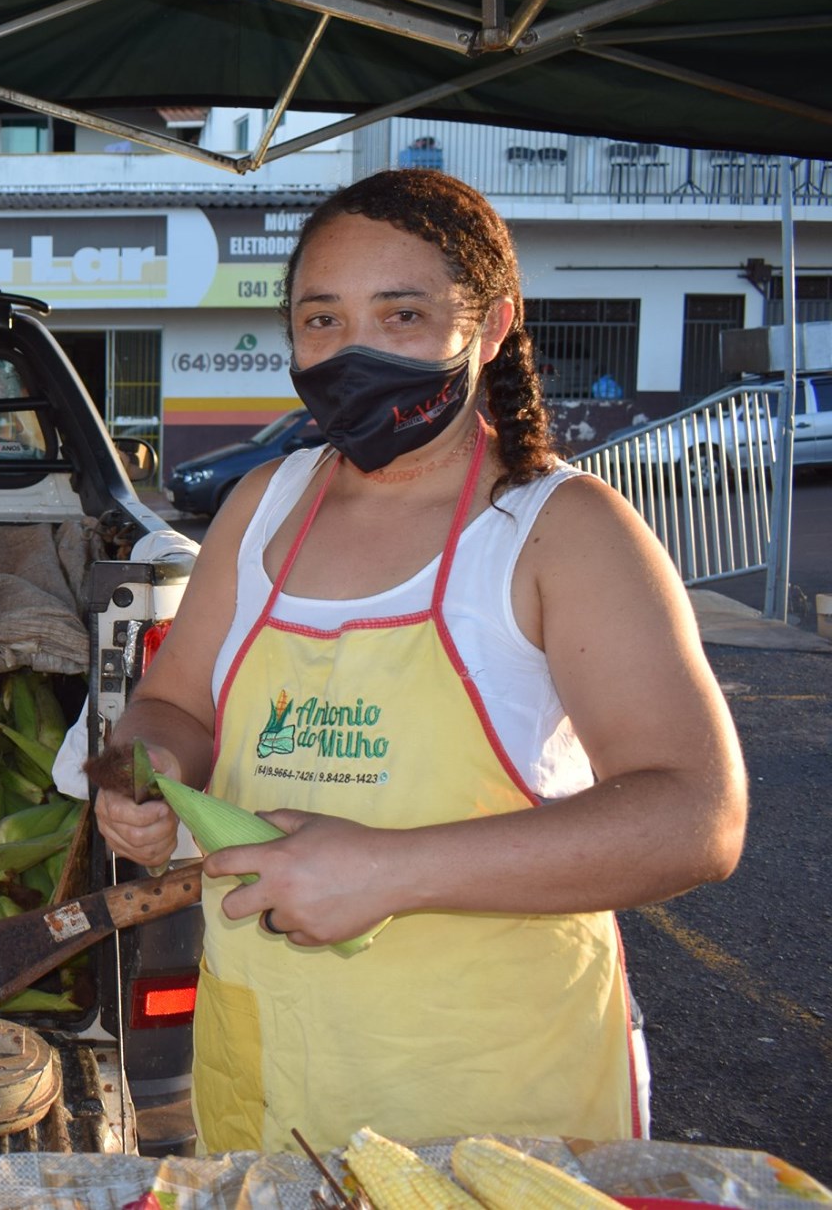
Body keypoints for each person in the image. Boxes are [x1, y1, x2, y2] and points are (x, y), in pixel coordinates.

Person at [88, 169, 746, 1154]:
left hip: (490, 1088)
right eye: (321, 319)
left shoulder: (558, 529)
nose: (352, 350)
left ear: (490, 328)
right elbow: (174, 701)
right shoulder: (262, 504)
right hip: (269, 1060)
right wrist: (146, 770)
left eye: (401, 314)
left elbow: (696, 816)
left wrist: (387, 870)